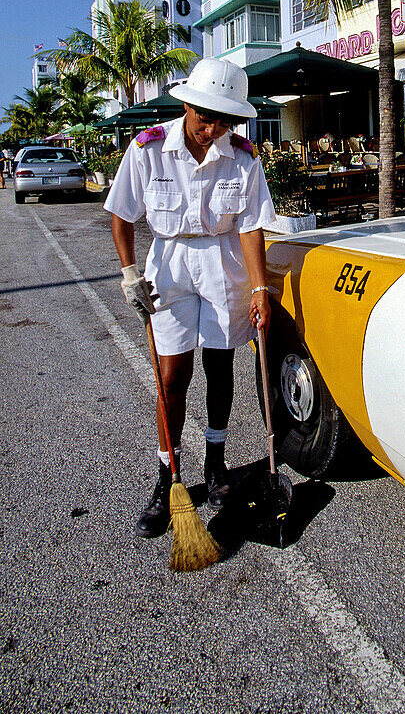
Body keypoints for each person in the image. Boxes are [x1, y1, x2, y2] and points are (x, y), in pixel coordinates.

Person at [105, 58, 276, 537]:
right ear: (187, 104)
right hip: (170, 264)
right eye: (206, 116)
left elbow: (249, 224)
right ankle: (168, 475)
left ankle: (216, 464)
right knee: (172, 373)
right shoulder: (148, 149)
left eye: (225, 120)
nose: (213, 128)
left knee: (221, 366)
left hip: (224, 264)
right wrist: (129, 273)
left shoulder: (242, 157)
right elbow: (122, 215)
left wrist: (260, 287)